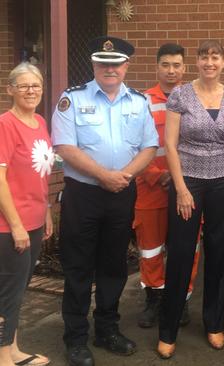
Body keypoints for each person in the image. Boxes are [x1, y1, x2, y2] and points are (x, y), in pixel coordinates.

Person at [51, 36, 158, 366]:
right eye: (103, 63)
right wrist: (104, 175)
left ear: (126, 66)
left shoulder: (139, 102)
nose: (109, 68)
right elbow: (65, 148)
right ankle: (76, 337)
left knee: (113, 266)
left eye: (116, 63)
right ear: (94, 65)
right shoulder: (71, 99)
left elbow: (149, 147)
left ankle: (107, 329)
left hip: (121, 193)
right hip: (83, 196)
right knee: (79, 267)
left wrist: (122, 176)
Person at [156, 39, 224, 358]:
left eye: (215, 57)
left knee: (220, 253)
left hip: (222, 181)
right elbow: (170, 144)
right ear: (197, 62)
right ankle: (168, 329)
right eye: (204, 57)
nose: (209, 62)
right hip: (188, 182)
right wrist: (180, 188)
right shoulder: (180, 94)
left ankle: (214, 323)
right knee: (180, 254)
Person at [135, 43, 200, 329]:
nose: (171, 71)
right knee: (151, 247)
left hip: (189, 188)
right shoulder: (141, 102)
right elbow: (132, 142)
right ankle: (154, 299)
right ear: (157, 66)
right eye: (166, 65)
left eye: (177, 65)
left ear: (184, 68)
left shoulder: (196, 98)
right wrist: (155, 175)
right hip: (151, 189)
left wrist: (181, 179)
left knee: (187, 247)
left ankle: (181, 300)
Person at [0, 63, 53, 366]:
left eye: (36, 85)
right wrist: (17, 225)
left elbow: (39, 175)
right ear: (10, 89)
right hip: (10, 226)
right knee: (7, 292)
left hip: (33, 219)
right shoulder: (6, 124)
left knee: (18, 290)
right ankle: (3, 355)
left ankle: (14, 348)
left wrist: (45, 211)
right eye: (23, 85)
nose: (31, 91)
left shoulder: (40, 122)